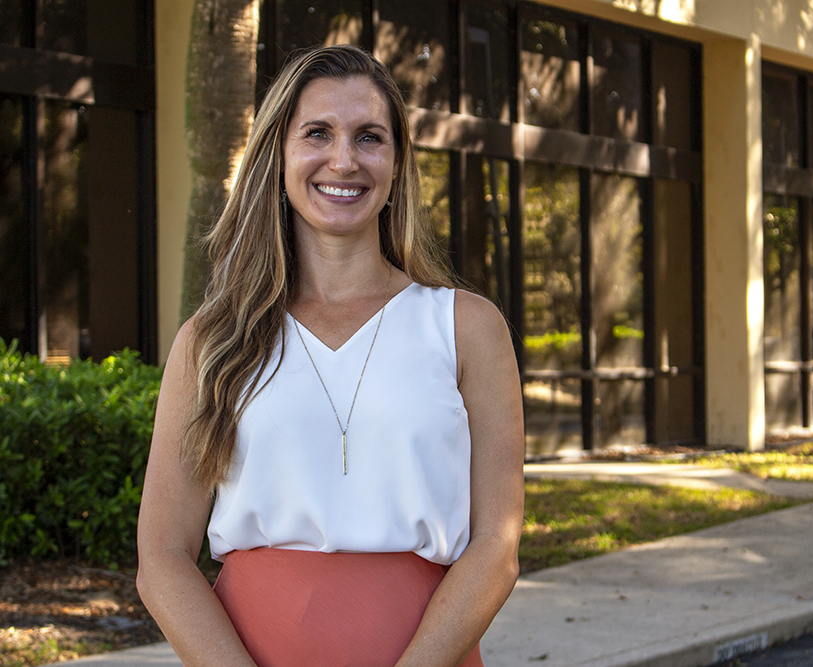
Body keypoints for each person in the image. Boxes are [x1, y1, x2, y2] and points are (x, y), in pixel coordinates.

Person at [136, 45, 524, 667]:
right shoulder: (213, 339)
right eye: (318, 132)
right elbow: (162, 558)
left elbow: (495, 548)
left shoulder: (466, 328)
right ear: (279, 154)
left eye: (370, 137)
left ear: (397, 164)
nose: (344, 160)